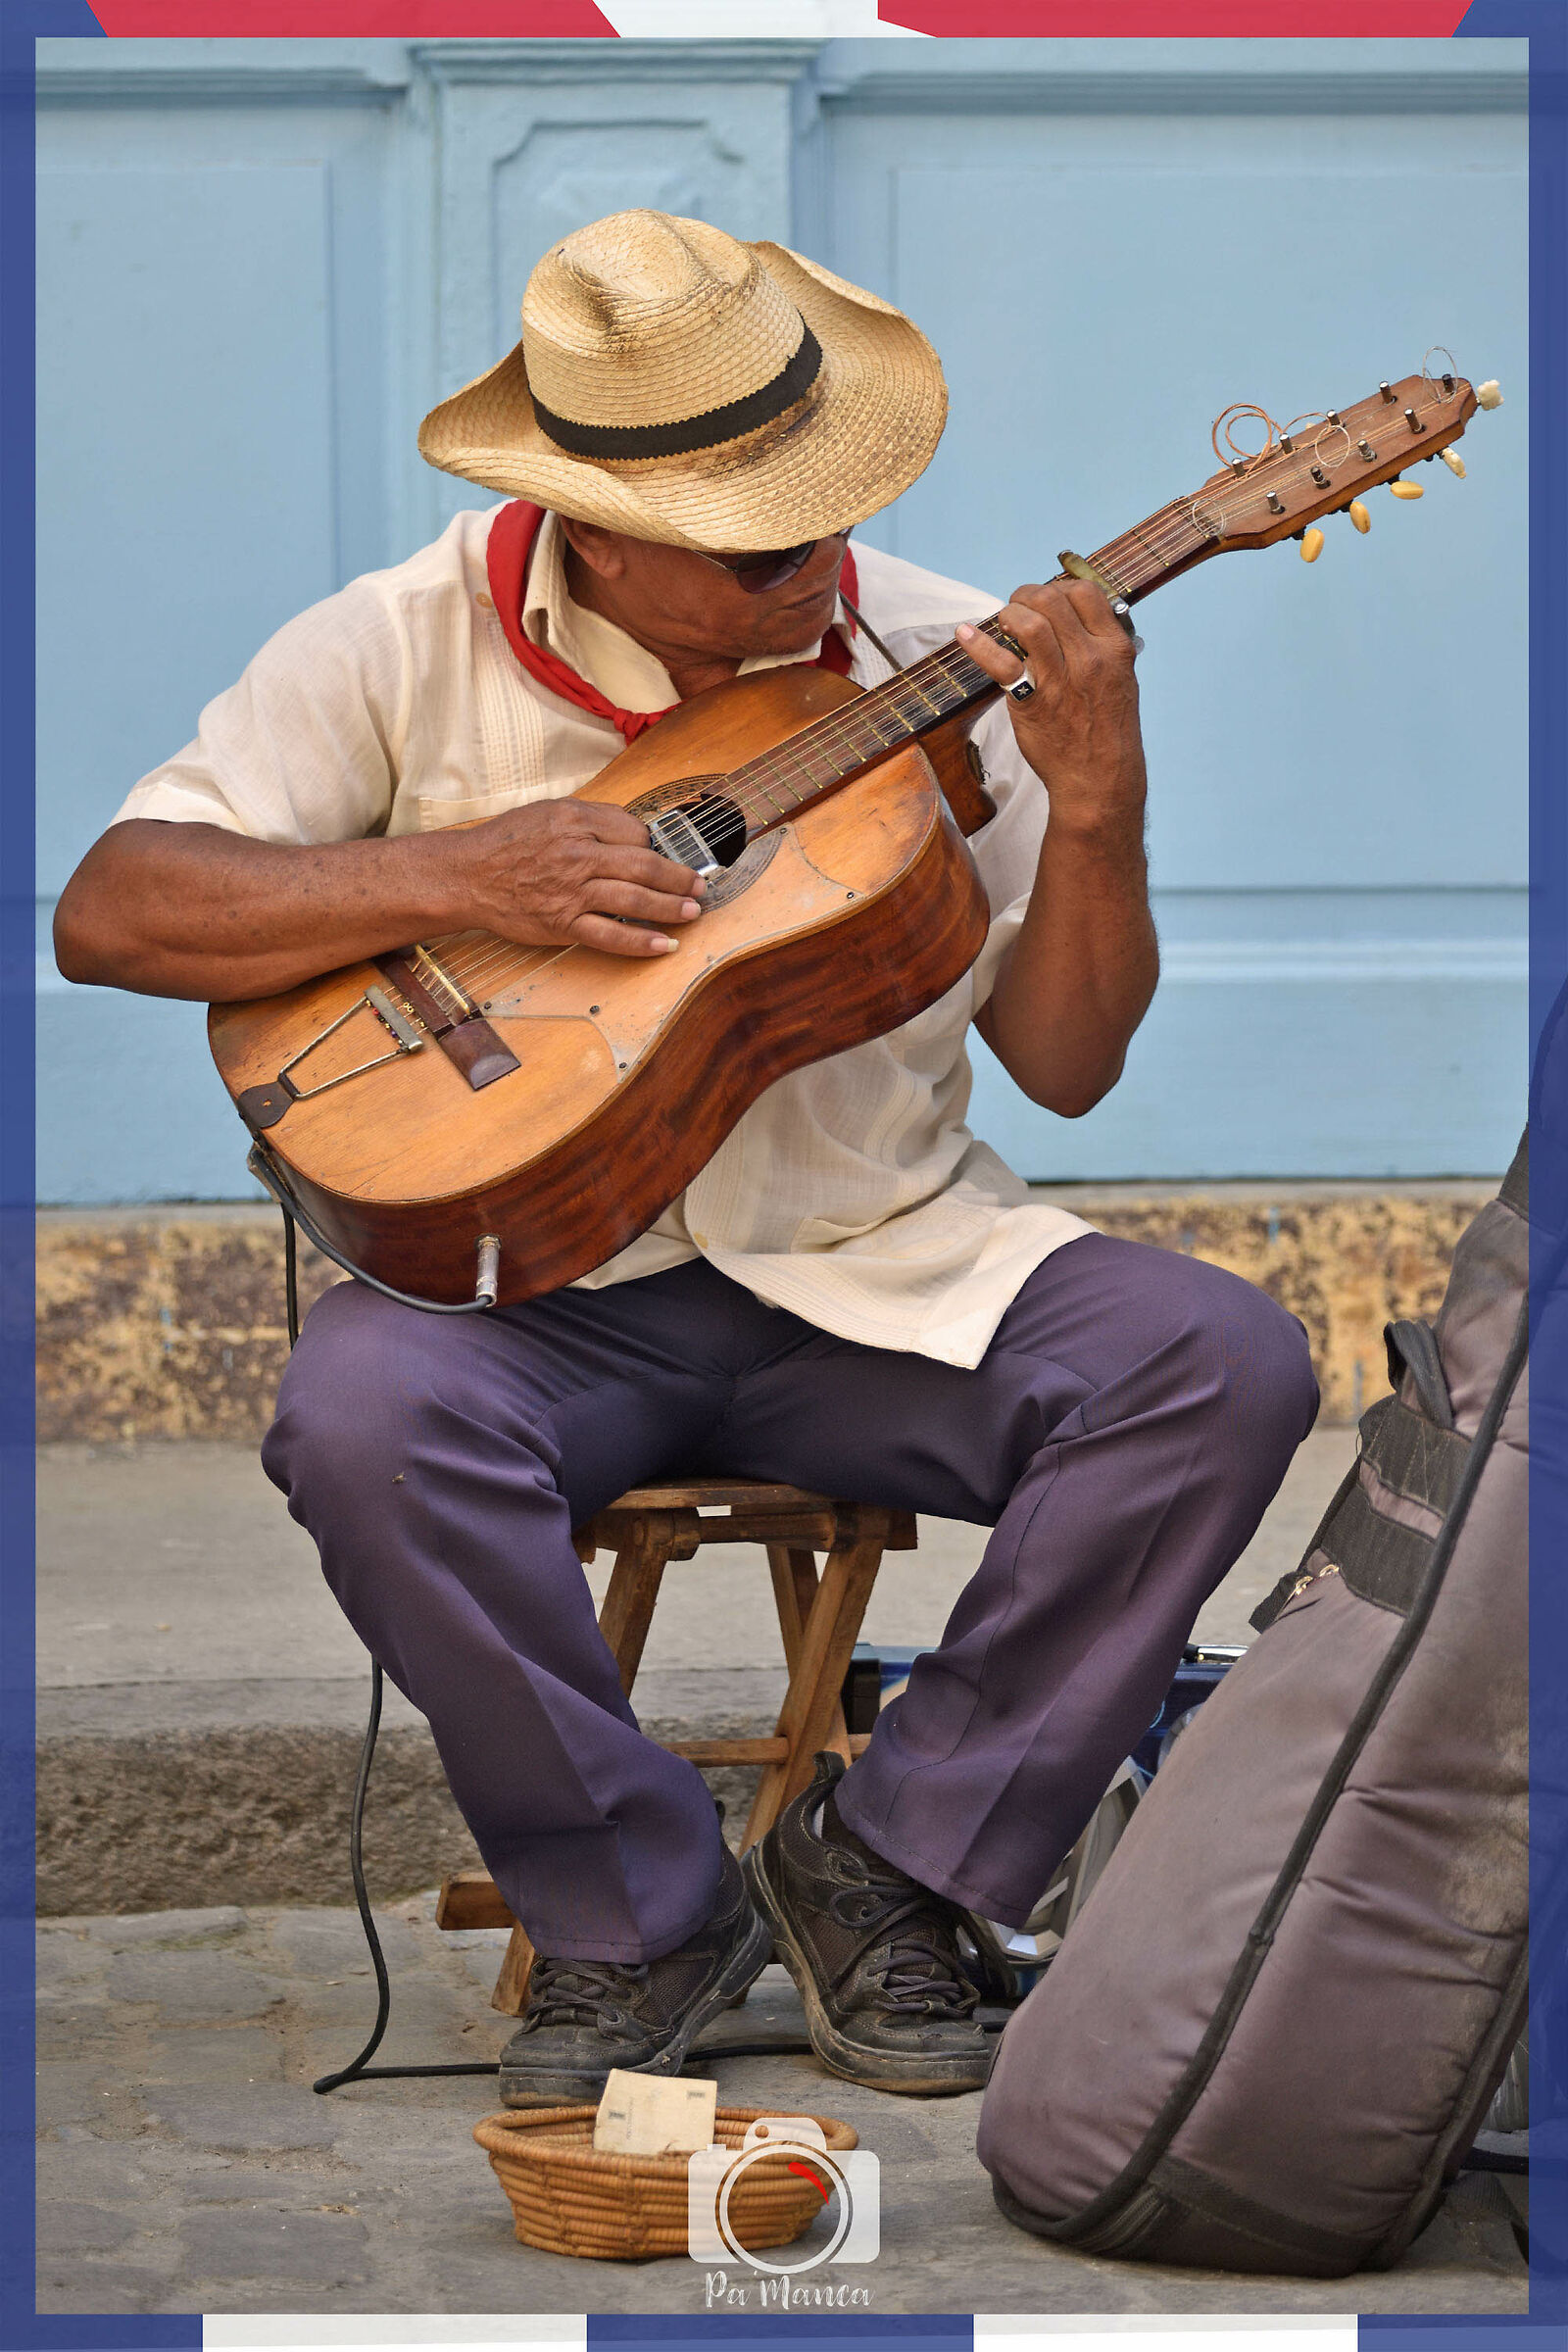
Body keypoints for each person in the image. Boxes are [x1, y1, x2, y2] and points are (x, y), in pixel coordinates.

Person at [55, 210, 1318, 2106]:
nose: (813, 571)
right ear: (592, 522)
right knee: (359, 1416)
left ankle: (888, 1870)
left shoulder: (936, 651)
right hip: (542, 1296)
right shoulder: (396, 642)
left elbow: (1066, 1067)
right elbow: (115, 910)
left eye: (825, 520)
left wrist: (1109, 802)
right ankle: (640, 1919)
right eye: (753, 550)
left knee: (1223, 1365)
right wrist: (468, 869)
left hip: (877, 1270)